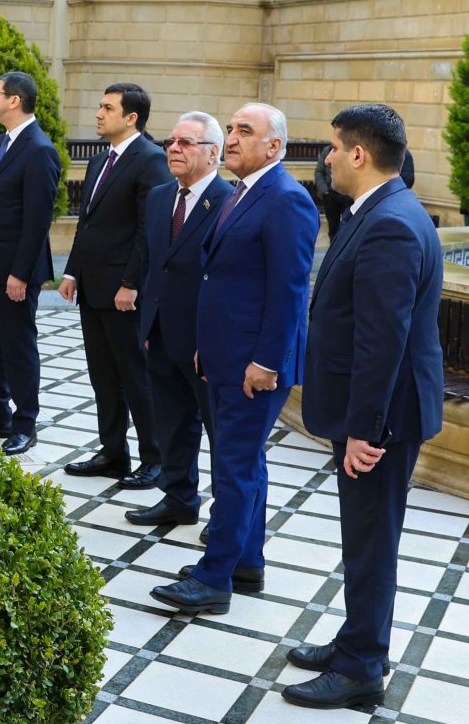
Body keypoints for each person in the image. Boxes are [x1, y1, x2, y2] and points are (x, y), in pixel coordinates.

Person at [282, 104, 443, 710]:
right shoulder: (376, 209)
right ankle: (357, 638)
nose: (324, 158)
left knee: (372, 543)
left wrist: (363, 431)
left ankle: (361, 669)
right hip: (376, 415)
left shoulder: (393, 224)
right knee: (363, 539)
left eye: (331, 148)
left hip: (382, 422)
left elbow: (384, 340)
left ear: (358, 154)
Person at [150, 102, 318, 617]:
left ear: (275, 146)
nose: (233, 137)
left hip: (254, 367)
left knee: (234, 467)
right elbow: (222, 279)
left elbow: (289, 290)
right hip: (225, 356)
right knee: (247, 463)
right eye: (230, 129)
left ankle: (214, 577)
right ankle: (246, 560)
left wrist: (267, 361)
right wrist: (207, 343)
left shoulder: (286, 199)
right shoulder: (243, 192)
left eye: (246, 130)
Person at [61, 84, 171, 489]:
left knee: (135, 376)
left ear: (131, 118)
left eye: (107, 108)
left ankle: (155, 458)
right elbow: (86, 223)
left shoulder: (151, 160)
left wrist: (130, 283)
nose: (98, 113)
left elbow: (148, 230)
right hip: (92, 287)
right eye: (100, 106)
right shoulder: (99, 161)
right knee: (102, 375)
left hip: (123, 292)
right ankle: (113, 452)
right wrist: (72, 272)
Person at [126, 112, 232, 534]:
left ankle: (225, 514)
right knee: (172, 423)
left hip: (204, 344)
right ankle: (179, 498)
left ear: (213, 154)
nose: (173, 148)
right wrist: (148, 325)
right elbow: (155, 264)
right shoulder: (158, 197)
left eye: (186, 143)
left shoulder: (228, 201)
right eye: (172, 141)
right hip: (160, 334)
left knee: (220, 433)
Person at [0, 72, 61, 455]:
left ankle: (25, 423)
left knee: (18, 347)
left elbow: (37, 220)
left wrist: (19, 273)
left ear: (15, 101)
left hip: (15, 272)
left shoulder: (39, 150)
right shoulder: (1, 142)